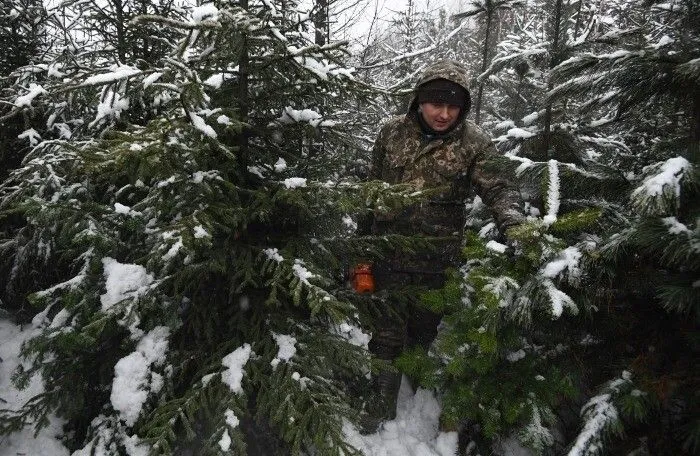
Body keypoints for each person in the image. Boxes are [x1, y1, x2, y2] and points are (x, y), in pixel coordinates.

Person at [362, 60, 524, 431]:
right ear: (419, 101)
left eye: (454, 107)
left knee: (423, 331)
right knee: (385, 336)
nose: (444, 113)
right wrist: (361, 248)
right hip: (388, 252)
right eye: (437, 104)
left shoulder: (475, 142)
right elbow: (370, 190)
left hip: (437, 258)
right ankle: (378, 406)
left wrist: (515, 226)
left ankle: (418, 386)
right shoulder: (391, 133)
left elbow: (500, 187)